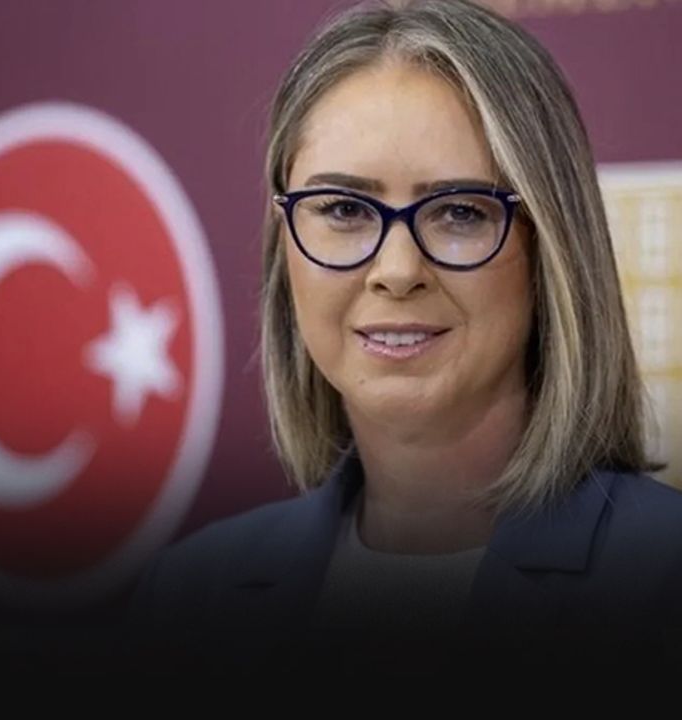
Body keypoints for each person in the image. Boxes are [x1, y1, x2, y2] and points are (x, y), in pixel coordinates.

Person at [126, 0, 682, 679]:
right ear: (284, 247)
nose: (396, 270)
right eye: (343, 209)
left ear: (551, 247)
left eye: (459, 212)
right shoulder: (186, 602)